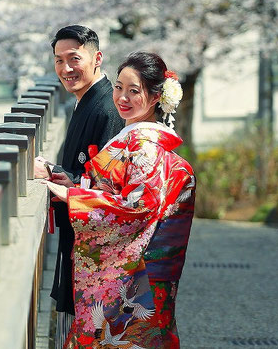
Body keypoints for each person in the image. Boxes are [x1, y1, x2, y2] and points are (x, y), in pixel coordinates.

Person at [44, 51, 196, 349]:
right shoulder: (134, 140)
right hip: (139, 269)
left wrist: (74, 197)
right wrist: (75, 184)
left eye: (133, 91)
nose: (122, 98)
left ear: (155, 98)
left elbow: (136, 208)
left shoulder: (145, 149)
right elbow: (116, 193)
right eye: (118, 87)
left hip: (138, 273)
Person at [38, 25, 125, 344]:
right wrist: (63, 176)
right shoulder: (85, 101)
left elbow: (110, 187)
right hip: (78, 236)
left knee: (88, 330)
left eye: (74, 58)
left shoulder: (105, 107)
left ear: (97, 58)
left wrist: (68, 182)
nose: (66, 68)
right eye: (59, 60)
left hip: (93, 247)